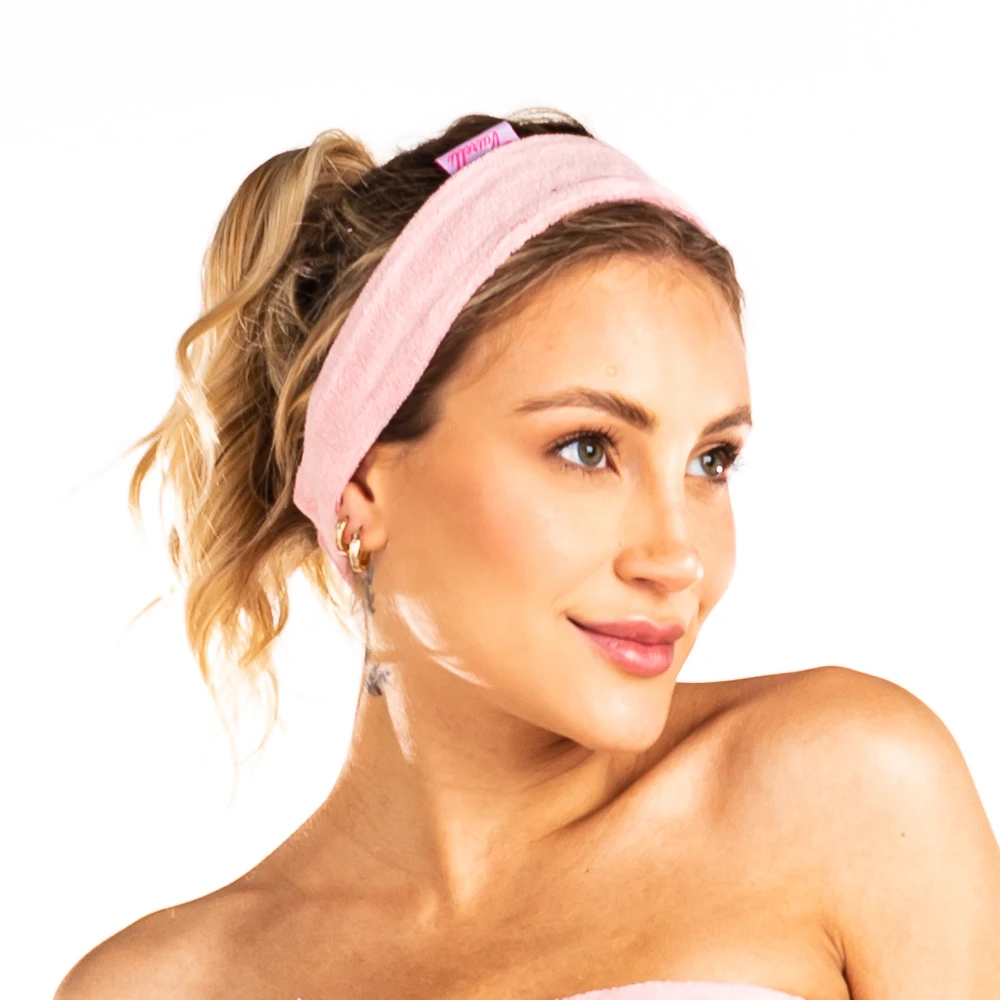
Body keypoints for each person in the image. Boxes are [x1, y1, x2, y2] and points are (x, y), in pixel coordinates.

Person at [55, 109, 1000, 1000]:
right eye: (588, 448)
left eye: (711, 461)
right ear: (362, 485)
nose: (678, 557)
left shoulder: (850, 790)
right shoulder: (162, 986)